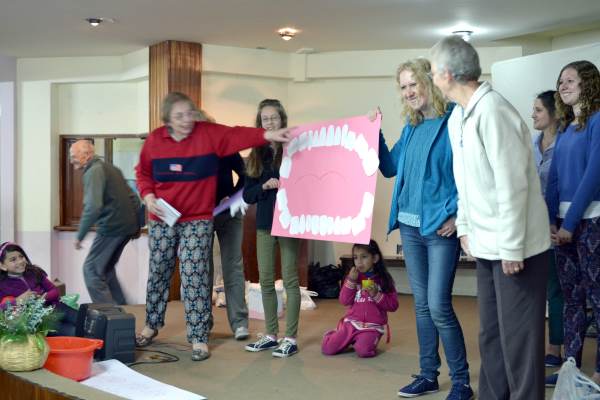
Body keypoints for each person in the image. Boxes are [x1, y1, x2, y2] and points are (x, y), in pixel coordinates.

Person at [430, 35, 551, 400]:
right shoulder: (458, 117)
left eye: (434, 71)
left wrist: (512, 248)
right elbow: (465, 183)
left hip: (518, 249)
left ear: (448, 73)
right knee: (492, 336)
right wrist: (465, 228)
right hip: (485, 245)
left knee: (520, 341)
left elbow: (512, 187)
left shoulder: (494, 111)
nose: (433, 78)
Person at [135, 92, 290, 361]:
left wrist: (266, 135)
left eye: (189, 114)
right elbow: (143, 173)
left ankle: (198, 337)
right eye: (179, 116)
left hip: (197, 217)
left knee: (195, 275)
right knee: (159, 270)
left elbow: (236, 135)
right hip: (163, 217)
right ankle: (151, 324)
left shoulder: (207, 134)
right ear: (167, 119)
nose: (186, 120)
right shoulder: (155, 140)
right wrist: (148, 196)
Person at [377, 58, 473, 400]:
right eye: (402, 87)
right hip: (409, 227)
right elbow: (389, 168)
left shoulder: (454, 121)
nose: (408, 93)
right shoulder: (411, 128)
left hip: (439, 230)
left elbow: (469, 174)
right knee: (420, 305)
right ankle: (428, 374)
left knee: (438, 305)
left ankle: (461, 381)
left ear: (428, 82)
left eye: (412, 84)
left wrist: (459, 216)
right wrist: (374, 134)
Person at [545, 60, 600, 385]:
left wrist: (570, 223)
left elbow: (594, 176)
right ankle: (570, 367)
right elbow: (552, 180)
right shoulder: (565, 128)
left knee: (597, 297)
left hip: (591, 221)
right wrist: (552, 220)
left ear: (588, 84)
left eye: (570, 80)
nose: (563, 86)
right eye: (560, 81)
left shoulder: (596, 121)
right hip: (563, 224)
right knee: (571, 299)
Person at [243, 99, 301, 358]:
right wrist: (264, 186)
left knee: (290, 280)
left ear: (282, 120)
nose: (270, 122)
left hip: (290, 221)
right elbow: (247, 195)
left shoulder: (295, 148)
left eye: (274, 118)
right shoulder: (255, 154)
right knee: (265, 280)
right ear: (260, 124)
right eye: (265, 119)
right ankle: (270, 334)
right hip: (265, 223)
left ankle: (290, 337)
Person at [70, 139, 142, 305]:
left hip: (112, 227)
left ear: (87, 155)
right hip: (126, 228)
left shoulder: (93, 171)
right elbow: (134, 199)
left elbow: (93, 206)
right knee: (106, 270)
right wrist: (137, 225)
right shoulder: (111, 168)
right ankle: (122, 311)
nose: (71, 160)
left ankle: (109, 316)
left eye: (74, 156)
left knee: (91, 271)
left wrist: (80, 235)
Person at [531, 90, 565, 371]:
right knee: (534, 291)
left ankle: (555, 348)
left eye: (539, 110)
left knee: (556, 291)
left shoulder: (567, 144)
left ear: (554, 114)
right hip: (532, 229)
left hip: (559, 228)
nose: (533, 115)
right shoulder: (531, 145)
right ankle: (532, 346)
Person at [209, 118, 250, 341]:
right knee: (202, 269)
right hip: (202, 216)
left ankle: (240, 323)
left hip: (229, 213)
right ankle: (203, 322)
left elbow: (246, 175)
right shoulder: (190, 150)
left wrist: (231, 197)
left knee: (232, 266)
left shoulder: (225, 147)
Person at [321, 240, 398, 358]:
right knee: (328, 348)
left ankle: (359, 340)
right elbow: (344, 301)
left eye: (364, 257)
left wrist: (376, 294)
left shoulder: (384, 280)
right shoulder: (353, 277)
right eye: (356, 258)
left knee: (364, 351)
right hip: (351, 323)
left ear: (375, 258)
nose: (359, 262)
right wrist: (351, 281)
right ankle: (336, 334)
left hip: (372, 327)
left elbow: (393, 306)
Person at [0, 242, 60, 307]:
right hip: (28, 316)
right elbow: (2, 308)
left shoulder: (35, 272)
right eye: (13, 260)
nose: (20, 261)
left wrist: (43, 298)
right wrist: (18, 301)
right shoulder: (2, 285)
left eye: (21, 256)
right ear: (3, 266)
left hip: (52, 308)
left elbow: (54, 290)